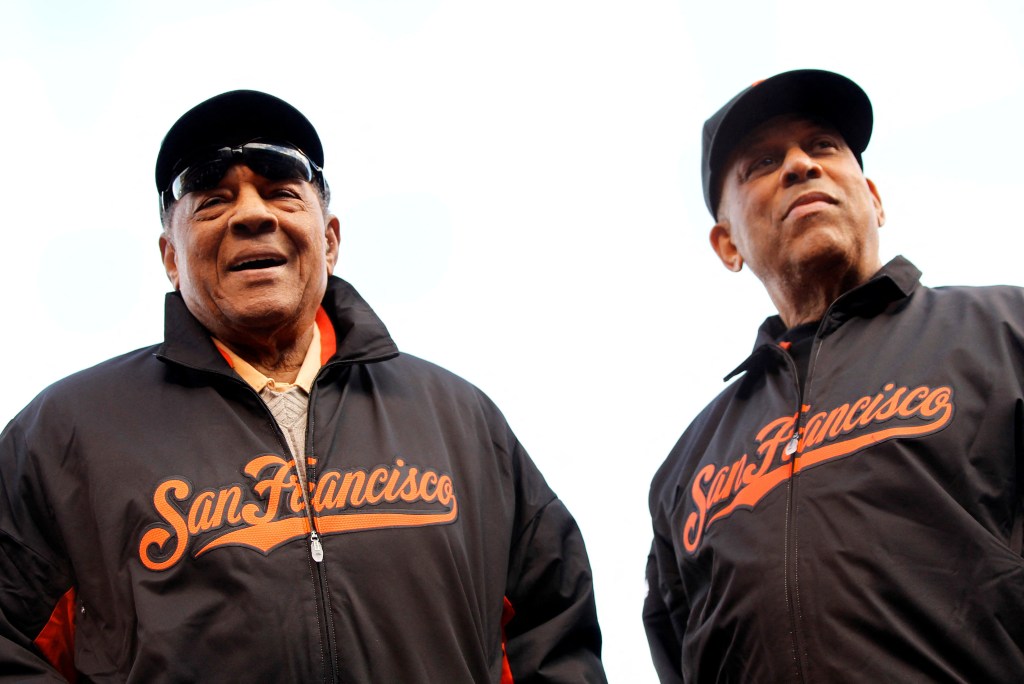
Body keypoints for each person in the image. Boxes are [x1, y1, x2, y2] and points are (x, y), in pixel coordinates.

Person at [0, 90, 606, 683]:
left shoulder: (461, 422)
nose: (252, 214)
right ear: (170, 258)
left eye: (281, 193)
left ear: (330, 238)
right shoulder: (66, 438)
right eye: (213, 201)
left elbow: (553, 626)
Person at [643, 69, 1024, 683]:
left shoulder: (1007, 336)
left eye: (822, 146)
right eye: (762, 163)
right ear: (727, 245)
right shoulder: (686, 473)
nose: (800, 165)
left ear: (873, 197)